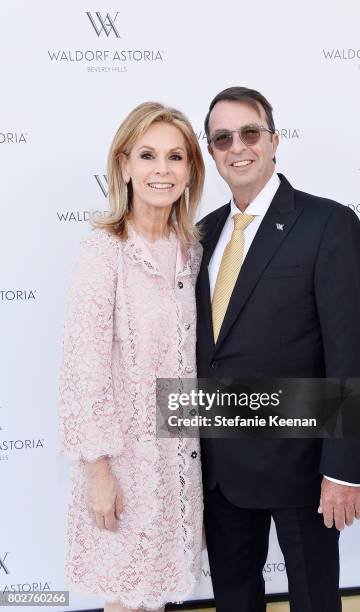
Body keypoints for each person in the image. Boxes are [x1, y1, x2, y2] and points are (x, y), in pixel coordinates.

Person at [196, 87, 360, 612]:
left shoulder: (327, 223)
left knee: (315, 601)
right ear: (211, 152)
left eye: (249, 132)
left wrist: (342, 470)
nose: (238, 146)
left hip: (304, 469)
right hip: (220, 469)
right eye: (222, 138)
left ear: (274, 141)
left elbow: (352, 353)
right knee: (233, 599)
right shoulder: (203, 234)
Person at [59, 102, 205, 612]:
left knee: (159, 597)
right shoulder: (104, 251)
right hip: (125, 462)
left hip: (181, 461)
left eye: (175, 157)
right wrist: (97, 471)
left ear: (190, 171)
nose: (161, 170)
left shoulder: (194, 249)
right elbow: (84, 369)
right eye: (147, 155)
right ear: (124, 166)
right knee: (126, 598)